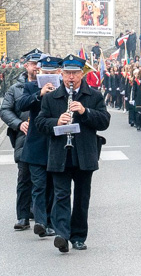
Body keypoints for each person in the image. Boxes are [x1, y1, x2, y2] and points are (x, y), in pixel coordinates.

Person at [35, 54, 111, 253]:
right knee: (61, 195)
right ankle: (62, 235)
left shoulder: (93, 96)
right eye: (67, 73)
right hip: (60, 153)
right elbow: (40, 123)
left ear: (81, 74)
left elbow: (104, 121)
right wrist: (56, 122)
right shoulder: (51, 97)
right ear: (61, 74)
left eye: (75, 73)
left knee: (81, 197)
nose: (70, 77)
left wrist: (85, 112)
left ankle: (78, 236)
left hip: (84, 153)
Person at [17, 54, 60, 238]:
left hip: (55, 143)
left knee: (52, 185)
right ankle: (41, 222)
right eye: (45, 71)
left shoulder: (64, 89)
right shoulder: (30, 87)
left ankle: (50, 222)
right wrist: (39, 94)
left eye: (52, 72)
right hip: (35, 144)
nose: (48, 74)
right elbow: (21, 104)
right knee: (39, 185)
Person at [1, 50, 39, 231]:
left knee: (43, 178)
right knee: (25, 177)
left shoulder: (49, 85)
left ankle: (40, 215)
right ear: (27, 65)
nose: (37, 67)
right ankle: (23, 216)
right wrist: (18, 123)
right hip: (23, 138)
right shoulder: (16, 88)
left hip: (44, 137)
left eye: (40, 64)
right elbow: (5, 110)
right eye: (34, 64)